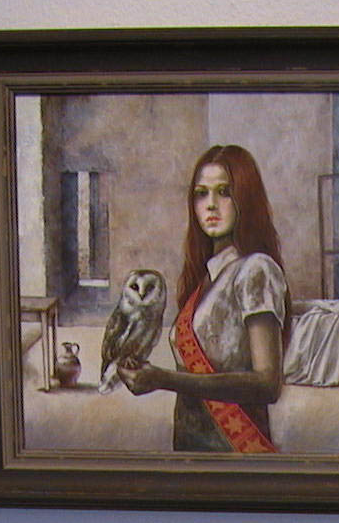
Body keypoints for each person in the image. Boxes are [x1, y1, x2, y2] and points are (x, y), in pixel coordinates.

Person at [119, 144, 290, 452]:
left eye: (224, 192)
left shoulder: (255, 269)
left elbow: (268, 384)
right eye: (201, 194)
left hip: (236, 451)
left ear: (246, 198)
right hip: (190, 446)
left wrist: (164, 379)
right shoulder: (205, 279)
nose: (211, 205)